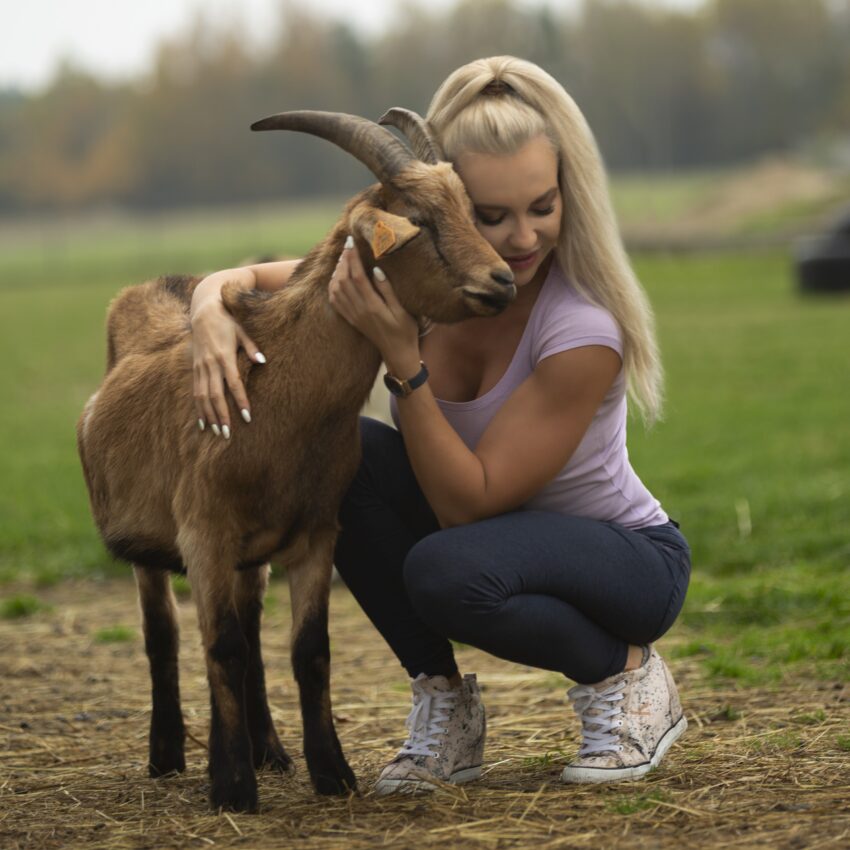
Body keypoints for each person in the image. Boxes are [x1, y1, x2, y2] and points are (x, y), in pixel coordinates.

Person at [188, 55, 691, 794]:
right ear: (443, 208)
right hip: (489, 539)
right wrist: (206, 310)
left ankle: (629, 679)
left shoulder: (582, 329)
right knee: (344, 452)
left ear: (568, 195)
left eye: (543, 206)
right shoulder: (431, 277)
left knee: (444, 571)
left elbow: (469, 505)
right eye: (490, 215)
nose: (521, 239)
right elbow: (263, 279)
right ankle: (446, 707)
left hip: (624, 565)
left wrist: (404, 362)